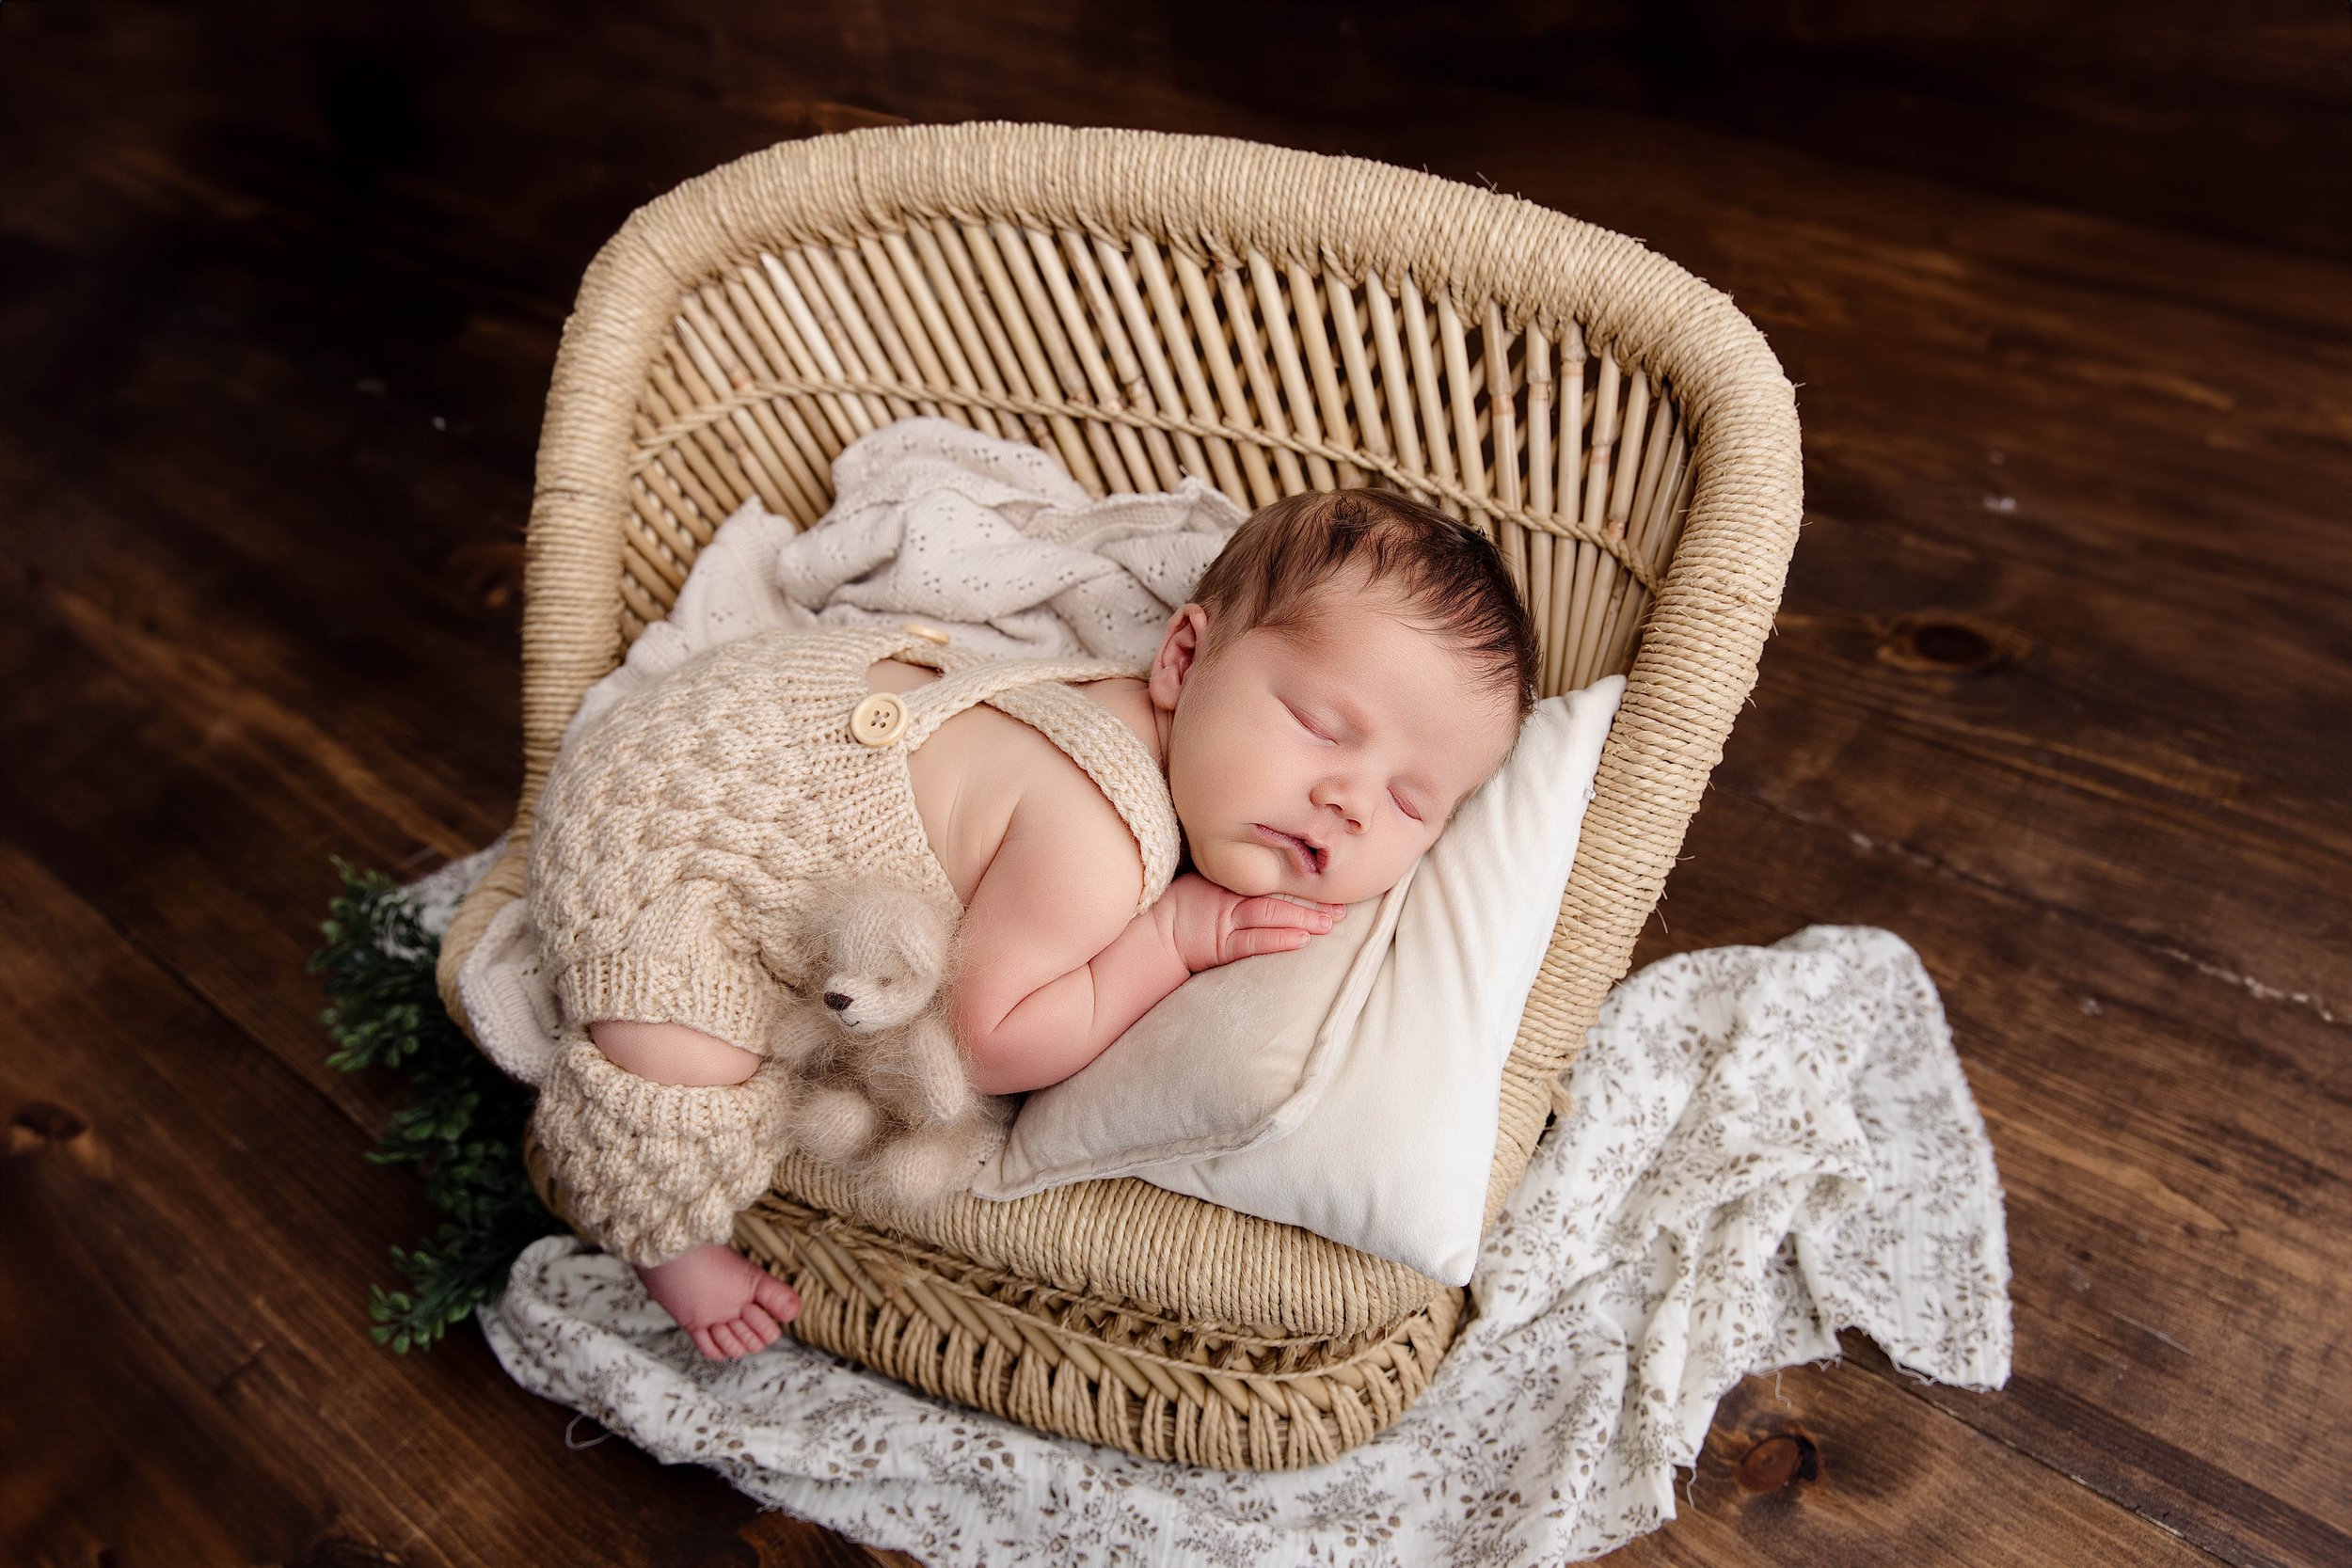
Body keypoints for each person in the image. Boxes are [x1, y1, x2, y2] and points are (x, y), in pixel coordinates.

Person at [525, 488, 1542, 1360]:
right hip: (674, 818)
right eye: (1321, 726)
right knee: (682, 1046)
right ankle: (664, 1244)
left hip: (762, 706)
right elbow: (986, 1042)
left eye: (1411, 800)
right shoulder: (1098, 839)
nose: (1352, 802)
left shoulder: (1147, 729)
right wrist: (1171, 940)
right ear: (1183, 659)